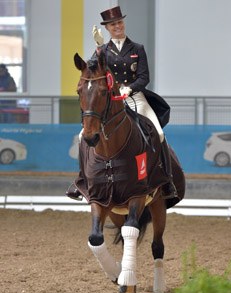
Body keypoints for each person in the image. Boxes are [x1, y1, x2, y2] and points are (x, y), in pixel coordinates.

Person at [66, 6, 177, 200]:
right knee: (83, 134)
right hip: (112, 102)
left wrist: (130, 88)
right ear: (107, 28)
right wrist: (99, 48)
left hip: (135, 97)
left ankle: (166, 180)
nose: (117, 26)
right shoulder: (103, 50)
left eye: (119, 22)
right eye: (113, 24)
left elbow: (144, 77)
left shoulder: (137, 48)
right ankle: (81, 180)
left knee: (158, 132)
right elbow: (93, 72)